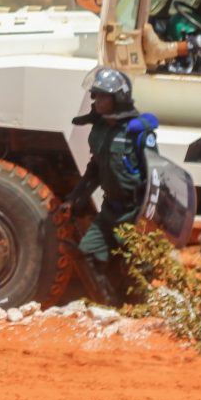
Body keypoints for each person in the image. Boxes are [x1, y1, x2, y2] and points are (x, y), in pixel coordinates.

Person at [70, 68, 158, 307]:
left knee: (135, 265)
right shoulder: (99, 129)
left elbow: (155, 174)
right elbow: (95, 169)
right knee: (86, 252)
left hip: (134, 211)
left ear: (118, 99)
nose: (97, 102)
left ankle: (139, 309)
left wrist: (146, 217)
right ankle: (108, 305)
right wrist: (76, 197)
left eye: (104, 97)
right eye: (96, 96)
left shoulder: (137, 132)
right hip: (110, 209)